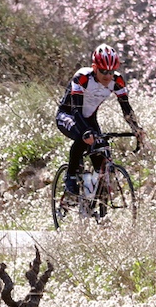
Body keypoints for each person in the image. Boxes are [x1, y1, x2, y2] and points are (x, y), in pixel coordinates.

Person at [55, 44, 144, 201]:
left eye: (111, 71)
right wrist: (85, 133)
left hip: (89, 119)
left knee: (102, 153)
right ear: (94, 67)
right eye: (103, 71)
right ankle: (70, 177)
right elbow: (76, 111)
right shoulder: (82, 77)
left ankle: (91, 200)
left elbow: (126, 109)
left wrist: (136, 129)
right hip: (68, 115)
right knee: (83, 138)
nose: (108, 76)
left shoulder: (117, 81)